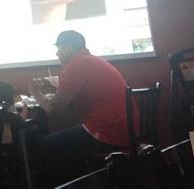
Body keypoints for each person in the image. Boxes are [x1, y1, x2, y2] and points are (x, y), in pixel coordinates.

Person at [28, 31, 133, 187]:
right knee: (64, 144)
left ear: (69, 48)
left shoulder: (76, 66)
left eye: (59, 48)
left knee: (48, 145)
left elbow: (54, 109)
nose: (57, 53)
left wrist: (34, 91)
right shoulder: (91, 61)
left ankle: (73, 185)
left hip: (108, 131)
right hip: (124, 128)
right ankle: (87, 182)